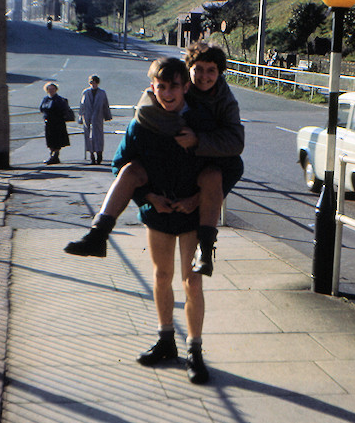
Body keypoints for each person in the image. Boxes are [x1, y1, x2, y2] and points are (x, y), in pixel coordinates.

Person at [64, 43, 244, 276]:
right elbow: (121, 159)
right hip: (160, 184)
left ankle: (206, 249)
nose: (204, 76)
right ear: (187, 73)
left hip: (197, 173)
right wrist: (148, 196)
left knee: (213, 175)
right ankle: (98, 233)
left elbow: (235, 149)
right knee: (130, 170)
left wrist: (198, 141)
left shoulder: (222, 102)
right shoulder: (149, 110)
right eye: (198, 69)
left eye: (211, 70)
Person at [113, 57, 213, 384]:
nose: (167, 93)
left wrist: (196, 199)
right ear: (152, 86)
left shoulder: (201, 121)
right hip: (157, 211)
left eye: (173, 86)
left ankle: (195, 350)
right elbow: (121, 165)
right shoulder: (142, 121)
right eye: (161, 86)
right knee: (161, 275)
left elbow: (221, 170)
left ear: (186, 87)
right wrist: (148, 198)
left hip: (192, 212)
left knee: (192, 280)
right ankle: (166, 339)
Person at [79, 75, 112, 164]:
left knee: (98, 137)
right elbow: (82, 106)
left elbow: (105, 105)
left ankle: (99, 154)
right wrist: (80, 117)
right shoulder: (86, 92)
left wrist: (107, 116)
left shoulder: (102, 93)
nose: (93, 84)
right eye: (92, 83)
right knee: (88, 137)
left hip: (98, 117)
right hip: (87, 117)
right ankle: (92, 156)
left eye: (95, 83)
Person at [39, 82, 70, 164]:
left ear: (56, 89)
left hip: (57, 123)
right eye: (49, 89)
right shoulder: (45, 99)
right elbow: (41, 108)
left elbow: (62, 110)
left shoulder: (59, 99)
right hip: (48, 123)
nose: (51, 90)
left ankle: (55, 156)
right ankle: (53, 156)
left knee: (57, 141)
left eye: (53, 89)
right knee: (50, 141)